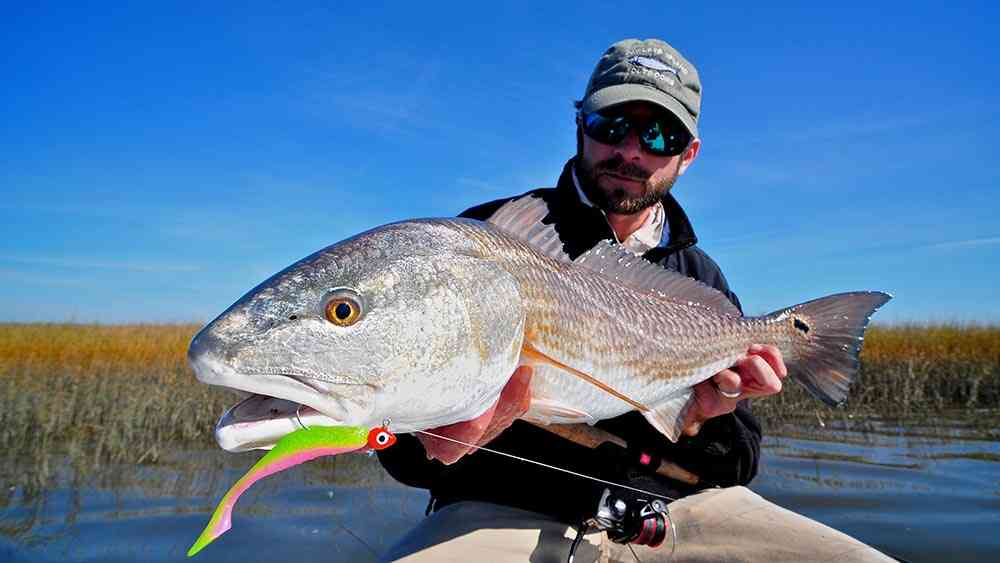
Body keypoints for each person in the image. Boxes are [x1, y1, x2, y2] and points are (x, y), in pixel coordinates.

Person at [378, 38, 894, 562]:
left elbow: (740, 463)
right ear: (581, 125)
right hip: (503, 512)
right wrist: (430, 444)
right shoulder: (483, 238)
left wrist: (707, 414)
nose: (630, 151)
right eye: (612, 125)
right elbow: (401, 454)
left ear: (686, 155)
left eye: (659, 135)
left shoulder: (700, 275)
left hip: (673, 515)